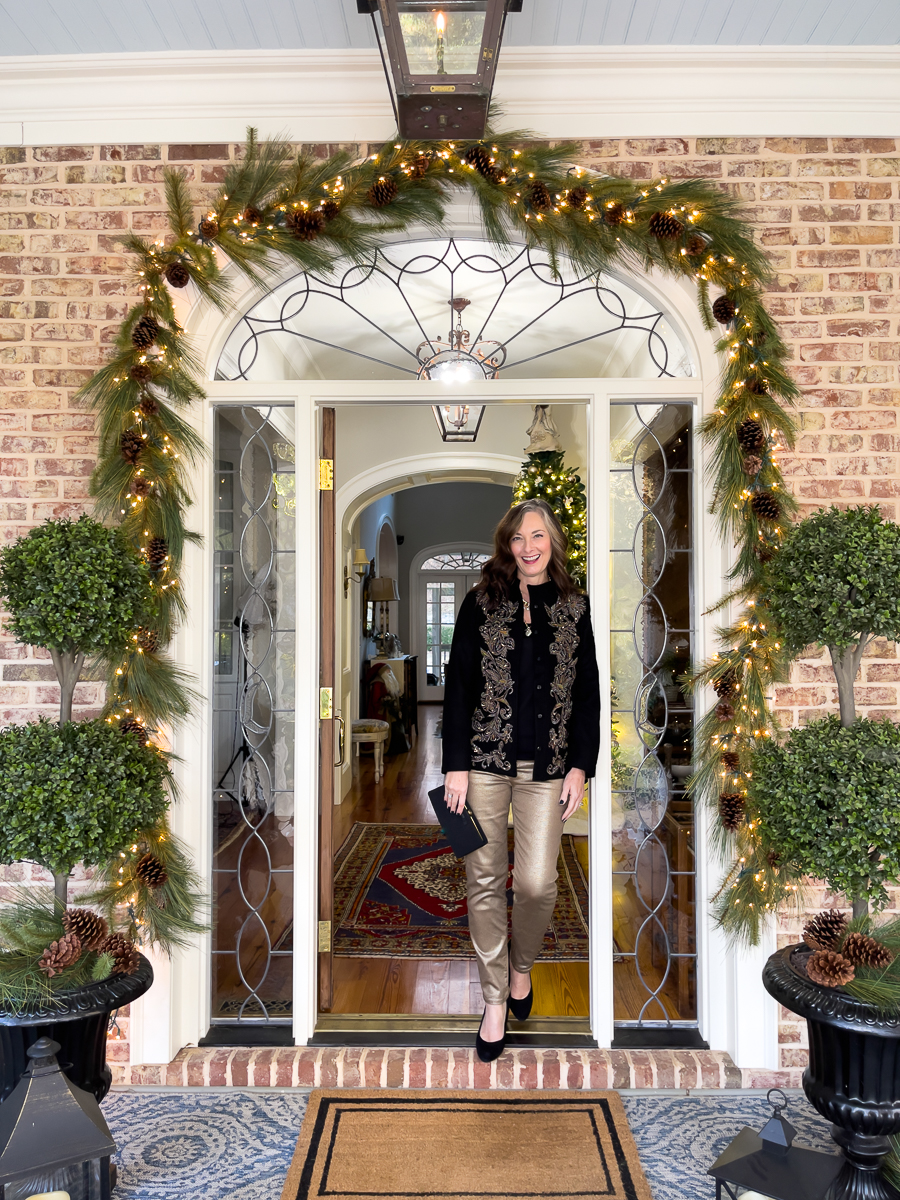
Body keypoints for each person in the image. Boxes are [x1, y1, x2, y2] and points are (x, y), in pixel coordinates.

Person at [441, 498, 600, 1061]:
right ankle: (492, 1001)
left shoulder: (575, 608)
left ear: (552, 541)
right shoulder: (481, 603)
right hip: (482, 764)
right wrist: (454, 764)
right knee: (483, 879)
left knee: (536, 884)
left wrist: (581, 764)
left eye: (538, 536)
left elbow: (586, 693)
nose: (528, 547)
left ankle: (521, 970)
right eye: (517, 539)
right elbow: (458, 685)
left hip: (548, 768)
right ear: (506, 546)